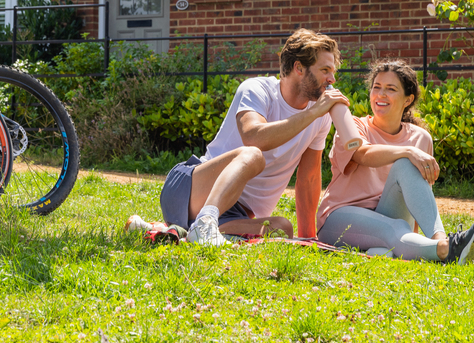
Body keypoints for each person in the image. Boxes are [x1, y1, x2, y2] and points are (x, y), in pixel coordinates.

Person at [139, 29, 350, 246]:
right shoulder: (257, 89)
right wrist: (311, 113)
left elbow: (310, 177)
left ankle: (176, 231)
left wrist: (308, 238)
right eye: (325, 70)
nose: (331, 79)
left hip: (235, 214)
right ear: (298, 68)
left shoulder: (321, 117)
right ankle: (204, 221)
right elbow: (254, 137)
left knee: (281, 228)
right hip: (192, 190)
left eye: (333, 71)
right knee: (253, 155)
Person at [317, 60, 474, 264]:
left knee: (405, 168)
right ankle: (447, 250)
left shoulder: (420, 138)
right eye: (377, 87)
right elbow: (363, 154)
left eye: (390, 89)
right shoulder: (354, 126)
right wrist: (407, 151)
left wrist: (414, 239)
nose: (381, 94)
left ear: (407, 100)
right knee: (393, 227)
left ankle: (438, 240)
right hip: (341, 218)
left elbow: (418, 198)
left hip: (389, 214)